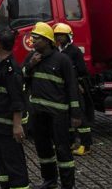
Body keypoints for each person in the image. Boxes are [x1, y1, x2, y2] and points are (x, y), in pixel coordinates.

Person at [23, 22, 82, 189]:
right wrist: (30, 65)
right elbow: (21, 78)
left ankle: (67, 185)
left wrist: (76, 114)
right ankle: (49, 181)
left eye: (37, 38)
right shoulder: (32, 58)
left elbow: (72, 87)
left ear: (47, 41)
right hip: (38, 113)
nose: (33, 41)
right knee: (43, 150)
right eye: (33, 38)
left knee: (63, 150)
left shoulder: (62, 60)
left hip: (58, 115)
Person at [0, 28, 29, 189]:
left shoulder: (11, 70)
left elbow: (17, 100)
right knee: (2, 164)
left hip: (8, 128)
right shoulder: (0, 64)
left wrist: (17, 126)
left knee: (14, 165)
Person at [54, 23, 94, 156]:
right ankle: (71, 142)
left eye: (62, 36)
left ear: (68, 36)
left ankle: (86, 145)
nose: (59, 38)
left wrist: (79, 83)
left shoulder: (74, 51)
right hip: (63, 87)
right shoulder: (57, 50)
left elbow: (82, 70)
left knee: (80, 115)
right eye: (57, 35)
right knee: (67, 116)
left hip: (75, 86)